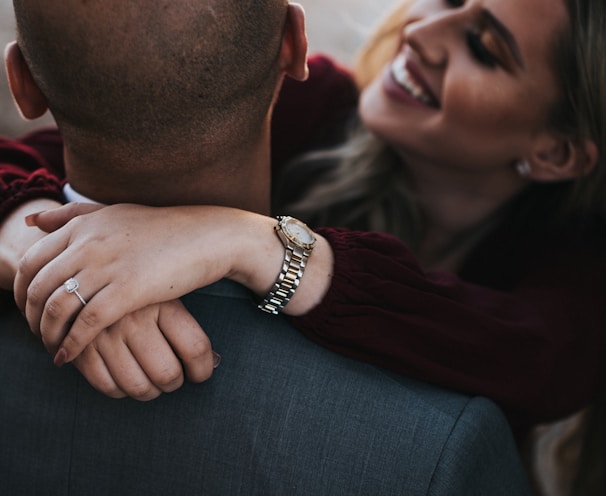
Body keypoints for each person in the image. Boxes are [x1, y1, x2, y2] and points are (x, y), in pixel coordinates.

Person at [0, 0, 531, 494]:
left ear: (22, 83)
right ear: (295, 45)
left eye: (487, 50)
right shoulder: (438, 449)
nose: (419, 34)